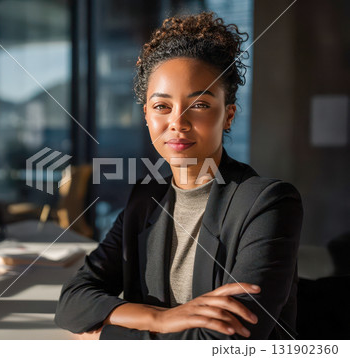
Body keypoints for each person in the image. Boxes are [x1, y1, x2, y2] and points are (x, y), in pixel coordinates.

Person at [54, 11, 303, 340]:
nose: (178, 122)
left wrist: (107, 335)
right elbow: (72, 301)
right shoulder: (146, 197)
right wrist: (158, 319)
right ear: (146, 115)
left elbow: (228, 340)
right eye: (161, 106)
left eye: (199, 104)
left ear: (228, 115)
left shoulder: (268, 203)